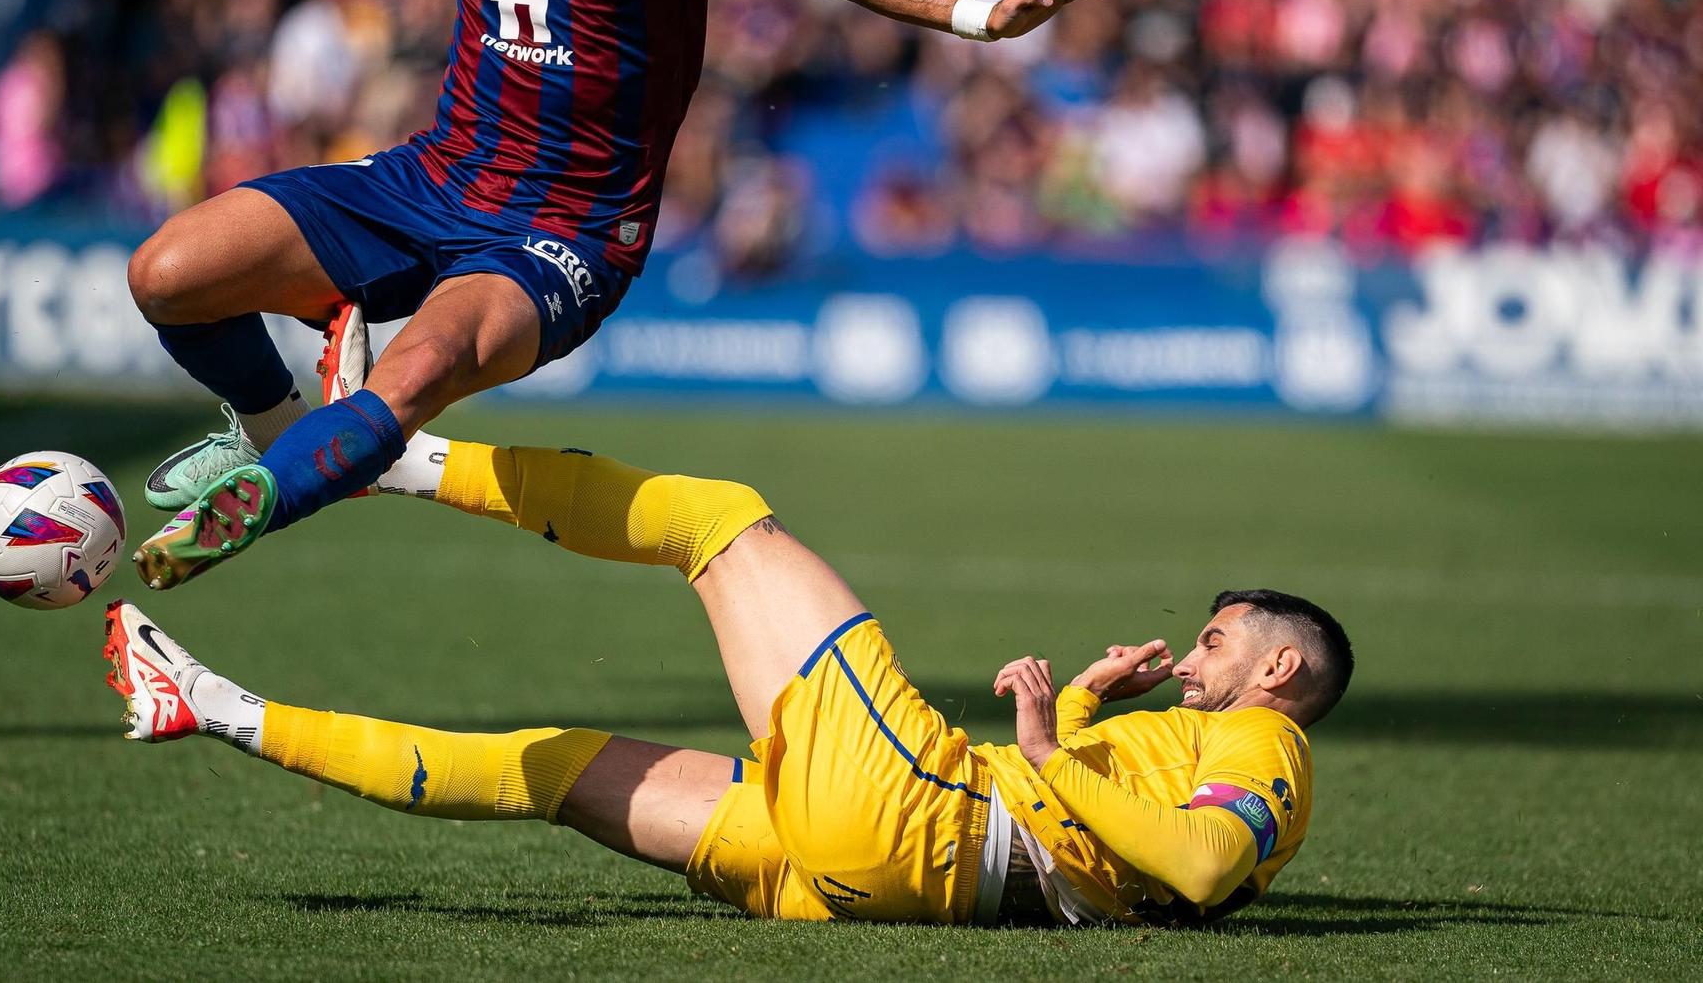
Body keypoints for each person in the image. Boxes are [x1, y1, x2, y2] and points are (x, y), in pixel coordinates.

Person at [123, 0, 1119, 590]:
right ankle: (275, 434)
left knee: (415, 370)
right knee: (167, 273)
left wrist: (978, 16)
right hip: (430, 179)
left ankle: (258, 505)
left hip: (563, 235)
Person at [103, 431, 1351, 926]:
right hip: (872, 880)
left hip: (919, 810)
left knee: (721, 523)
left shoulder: (1267, 748)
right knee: (544, 770)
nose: (1193, 656)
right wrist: (1079, 712)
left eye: (1219, 640)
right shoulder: (1214, 749)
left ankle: (382, 444)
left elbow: (1193, 864)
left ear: (1278, 667)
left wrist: (1034, 750)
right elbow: (1135, 865)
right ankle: (211, 704)